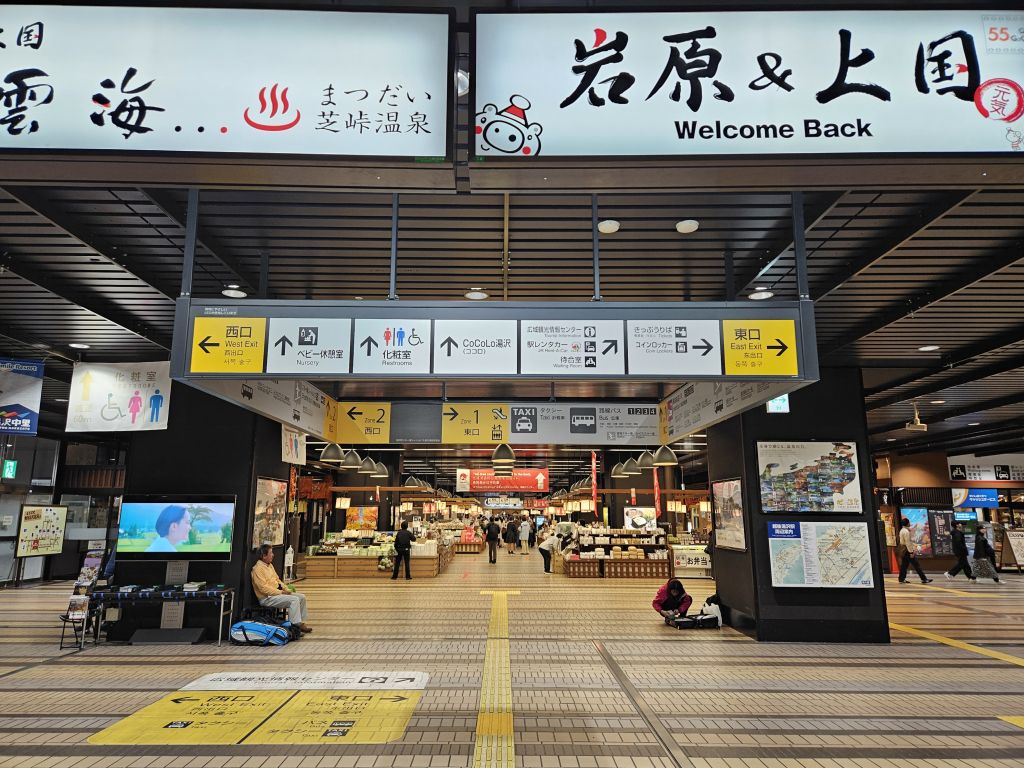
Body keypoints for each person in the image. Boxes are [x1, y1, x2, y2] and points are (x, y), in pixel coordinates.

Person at [251, 544, 312, 633]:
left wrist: (286, 589)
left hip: (276, 594)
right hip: (266, 598)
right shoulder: (257, 569)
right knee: (294, 600)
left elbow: (277, 580)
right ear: (264, 556)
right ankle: (294, 628)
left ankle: (300, 623)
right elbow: (263, 588)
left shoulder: (269, 565)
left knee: (301, 597)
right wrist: (280, 592)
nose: (273, 555)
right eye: (271, 553)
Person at [897, 517, 933, 584]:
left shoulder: (902, 530)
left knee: (904, 565)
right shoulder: (906, 532)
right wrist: (911, 552)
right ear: (907, 523)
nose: (910, 523)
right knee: (916, 565)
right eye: (909, 522)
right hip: (907, 550)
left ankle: (901, 579)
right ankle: (924, 579)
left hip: (903, 549)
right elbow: (908, 543)